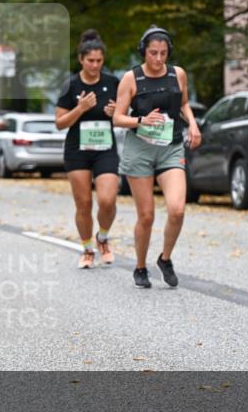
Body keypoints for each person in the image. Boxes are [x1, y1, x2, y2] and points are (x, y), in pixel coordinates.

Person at [113, 25, 201, 289]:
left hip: (170, 146)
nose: (159, 59)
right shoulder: (131, 78)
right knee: (147, 215)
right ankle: (140, 267)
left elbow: (183, 103)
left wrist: (193, 125)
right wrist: (140, 119)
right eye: (153, 53)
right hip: (139, 148)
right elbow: (117, 117)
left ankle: (165, 258)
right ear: (143, 52)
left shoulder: (178, 74)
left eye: (163, 53)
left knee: (176, 209)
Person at [55, 29, 121, 269]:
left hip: (105, 148)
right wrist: (80, 108)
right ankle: (87, 250)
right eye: (90, 61)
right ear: (81, 59)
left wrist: (117, 113)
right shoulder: (70, 85)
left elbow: (127, 115)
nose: (95, 65)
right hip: (77, 150)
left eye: (99, 61)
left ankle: (103, 237)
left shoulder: (113, 82)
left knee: (107, 200)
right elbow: (60, 122)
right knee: (83, 204)